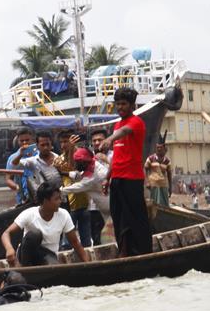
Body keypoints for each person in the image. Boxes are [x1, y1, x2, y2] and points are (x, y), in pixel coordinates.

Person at [99, 87, 152, 256]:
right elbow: (116, 156)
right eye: (117, 104)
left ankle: (144, 252)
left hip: (132, 179)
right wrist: (108, 178)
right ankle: (125, 251)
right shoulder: (117, 124)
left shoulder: (136, 122)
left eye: (123, 104)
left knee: (136, 218)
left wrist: (109, 138)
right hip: (117, 179)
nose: (120, 107)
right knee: (119, 218)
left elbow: (125, 131)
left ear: (131, 105)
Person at [0, 180, 89, 267]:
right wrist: (9, 249)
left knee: (53, 267)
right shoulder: (29, 214)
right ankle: (25, 269)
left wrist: (88, 263)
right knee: (35, 234)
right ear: (46, 201)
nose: (60, 201)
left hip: (48, 256)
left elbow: (75, 242)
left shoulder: (64, 215)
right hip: (26, 255)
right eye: (56, 199)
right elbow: (6, 233)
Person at [61, 146, 110, 245]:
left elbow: (78, 186)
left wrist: (59, 191)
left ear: (84, 162)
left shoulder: (94, 177)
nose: (75, 164)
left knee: (108, 239)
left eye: (77, 162)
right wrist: (63, 173)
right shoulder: (93, 164)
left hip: (110, 209)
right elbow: (80, 175)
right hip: (104, 209)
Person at [54, 131, 92, 247]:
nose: (63, 145)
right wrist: (70, 150)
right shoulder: (58, 160)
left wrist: (72, 149)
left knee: (86, 239)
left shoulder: (83, 156)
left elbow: (75, 169)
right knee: (67, 241)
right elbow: (71, 169)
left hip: (85, 201)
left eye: (66, 141)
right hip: (69, 203)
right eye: (61, 142)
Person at [4, 126, 36, 205]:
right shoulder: (12, 158)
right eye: (22, 141)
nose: (24, 143)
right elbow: (8, 179)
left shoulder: (38, 154)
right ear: (18, 141)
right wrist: (17, 187)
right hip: (22, 199)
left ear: (33, 140)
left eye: (27, 140)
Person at [144, 136, 172, 206]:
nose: (159, 149)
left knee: (164, 204)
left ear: (165, 149)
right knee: (153, 203)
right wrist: (146, 181)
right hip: (153, 185)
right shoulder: (150, 158)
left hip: (163, 185)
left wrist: (170, 187)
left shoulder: (167, 161)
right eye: (157, 147)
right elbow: (145, 169)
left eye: (161, 148)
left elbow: (169, 175)